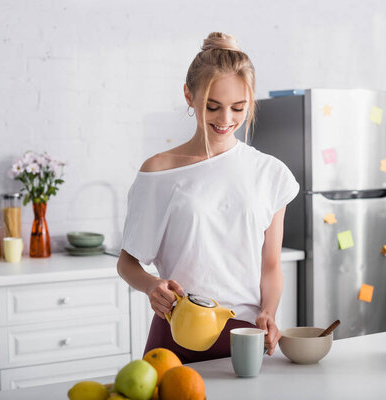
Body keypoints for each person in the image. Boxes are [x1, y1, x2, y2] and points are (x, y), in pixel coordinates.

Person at [117, 32, 299, 363]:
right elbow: (128, 263)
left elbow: (271, 266)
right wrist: (150, 286)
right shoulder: (158, 171)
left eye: (238, 108)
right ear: (189, 95)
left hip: (246, 335)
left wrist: (269, 313)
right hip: (177, 329)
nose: (225, 119)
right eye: (212, 106)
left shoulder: (271, 174)